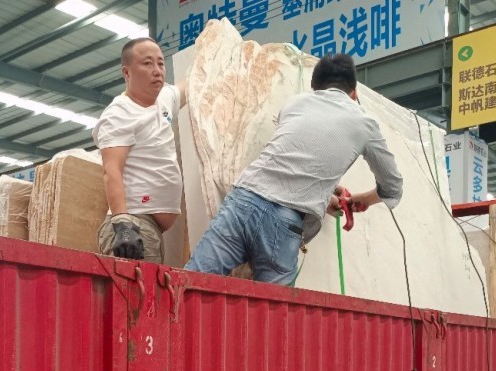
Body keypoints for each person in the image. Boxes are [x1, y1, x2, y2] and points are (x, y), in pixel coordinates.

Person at [185, 53, 404, 285]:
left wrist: (324, 194)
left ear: (314, 88)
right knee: (272, 306)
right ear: (354, 94)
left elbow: (292, 156)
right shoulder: (365, 122)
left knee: (190, 285)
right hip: (283, 222)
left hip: (243, 201)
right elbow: (393, 187)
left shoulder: (294, 103)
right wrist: (363, 199)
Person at [92, 37, 186, 263]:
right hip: (133, 227)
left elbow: (188, 86)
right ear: (126, 72)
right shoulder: (119, 114)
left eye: (161, 63)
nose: (157, 71)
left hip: (151, 229)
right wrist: (123, 223)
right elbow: (112, 170)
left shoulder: (163, 100)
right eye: (147, 63)